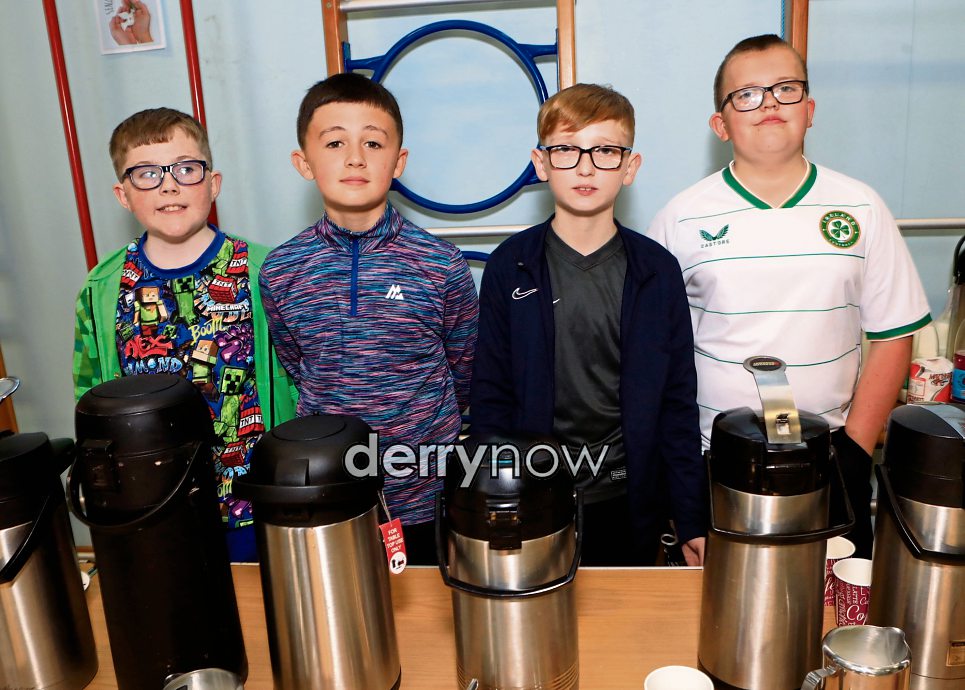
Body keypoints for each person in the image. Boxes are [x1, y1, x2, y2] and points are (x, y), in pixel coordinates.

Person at [646, 34, 931, 558]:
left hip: (831, 459)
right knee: (721, 604)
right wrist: (680, 487)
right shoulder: (679, 218)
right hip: (715, 460)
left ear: (810, 109)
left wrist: (854, 451)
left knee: (832, 604)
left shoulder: (862, 207)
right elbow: (656, 361)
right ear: (720, 124)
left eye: (785, 88)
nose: (769, 104)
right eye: (747, 95)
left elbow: (893, 336)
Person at [471, 83, 707, 566]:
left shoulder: (657, 271)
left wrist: (690, 518)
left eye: (605, 151)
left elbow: (677, 402)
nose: (585, 167)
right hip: (532, 496)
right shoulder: (509, 266)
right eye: (566, 150)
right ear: (541, 163)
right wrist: (492, 499)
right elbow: (490, 397)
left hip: (629, 500)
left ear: (630, 167)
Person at [259, 73, 478, 565]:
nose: (355, 157)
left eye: (373, 143)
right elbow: (298, 365)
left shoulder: (441, 264)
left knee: (428, 607)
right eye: (335, 142)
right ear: (303, 162)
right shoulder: (280, 270)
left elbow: (463, 369)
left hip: (427, 490)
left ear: (398, 161)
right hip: (328, 488)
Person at [73, 107, 297, 562]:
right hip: (153, 508)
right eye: (147, 174)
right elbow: (89, 397)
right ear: (122, 195)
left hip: (258, 504)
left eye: (186, 169)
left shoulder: (269, 272)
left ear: (213, 184)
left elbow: (306, 380)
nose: (169, 185)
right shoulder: (102, 287)